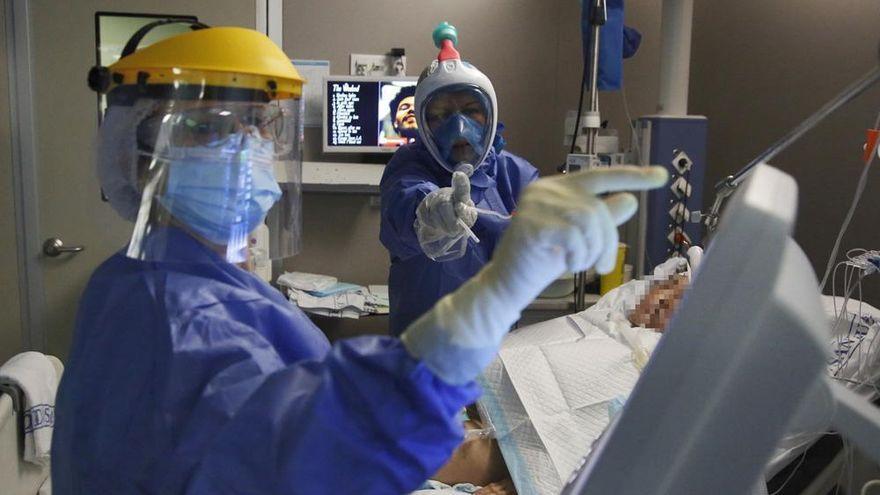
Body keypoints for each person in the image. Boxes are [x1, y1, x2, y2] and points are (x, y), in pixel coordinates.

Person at [53, 21, 667, 494]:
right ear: (140, 156)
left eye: (263, 127)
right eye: (214, 131)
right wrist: (494, 290)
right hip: (430, 353)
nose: (252, 149)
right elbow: (313, 446)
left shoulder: (155, 283)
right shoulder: (182, 323)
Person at [380, 22, 541, 335]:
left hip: (498, 344)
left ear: (490, 114)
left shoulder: (515, 175)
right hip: (424, 345)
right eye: (441, 116)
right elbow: (405, 202)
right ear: (423, 125)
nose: (459, 128)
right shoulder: (410, 167)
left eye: (471, 111)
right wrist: (430, 213)